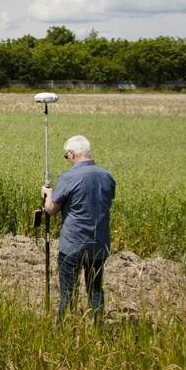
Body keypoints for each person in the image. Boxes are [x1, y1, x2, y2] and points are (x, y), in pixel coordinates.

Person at [41, 135, 115, 325]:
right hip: (99, 244)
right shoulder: (107, 177)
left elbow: (51, 210)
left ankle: (64, 328)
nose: (68, 161)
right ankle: (98, 328)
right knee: (96, 289)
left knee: (68, 292)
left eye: (67, 157)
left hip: (73, 245)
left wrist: (47, 194)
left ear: (72, 154)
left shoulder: (69, 177)